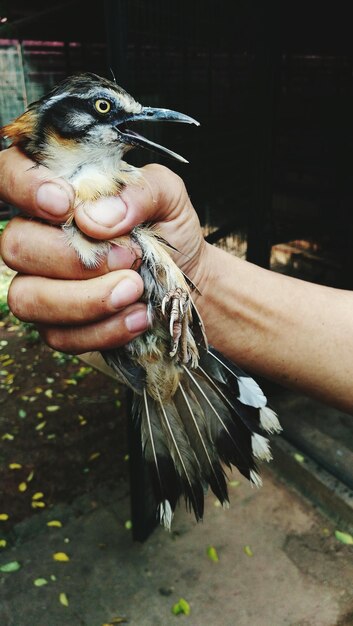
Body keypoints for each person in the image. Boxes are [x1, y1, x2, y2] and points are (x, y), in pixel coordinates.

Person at [1, 146, 353, 413]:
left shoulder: (113, 178)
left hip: (154, 309)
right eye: (103, 108)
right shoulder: (56, 180)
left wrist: (191, 284)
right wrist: (202, 281)